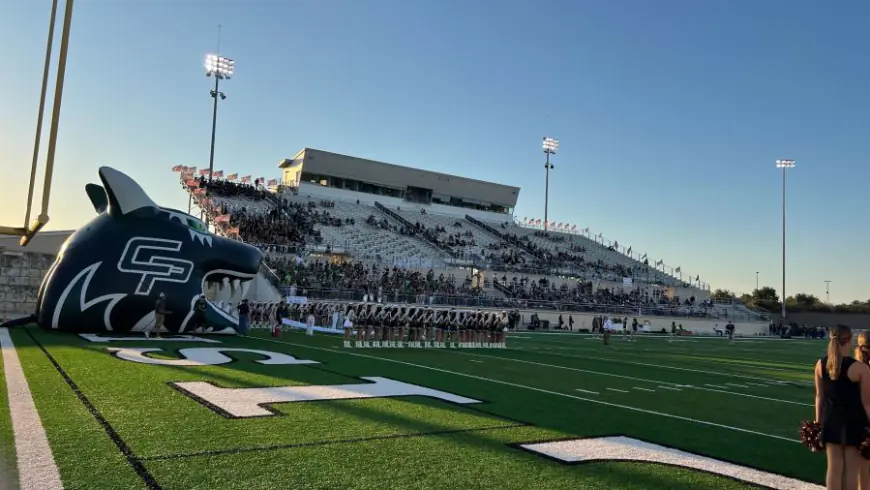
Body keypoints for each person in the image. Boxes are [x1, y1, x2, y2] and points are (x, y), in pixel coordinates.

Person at [815, 324, 870, 490]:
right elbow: (866, 403)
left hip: (829, 420)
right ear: (850, 340)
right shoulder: (860, 368)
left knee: (833, 467)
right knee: (851, 471)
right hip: (853, 422)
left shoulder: (819, 364)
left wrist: (818, 423)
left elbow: (819, 397)